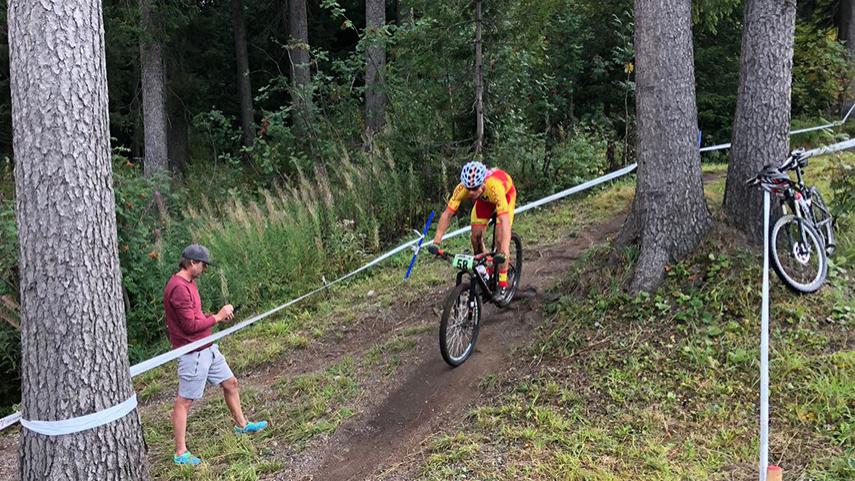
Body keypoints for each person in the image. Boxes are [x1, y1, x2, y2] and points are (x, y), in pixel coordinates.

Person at [164, 244, 268, 466]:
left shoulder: (190, 284)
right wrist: (218, 317)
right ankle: (181, 453)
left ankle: (242, 426)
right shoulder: (178, 288)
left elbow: (197, 318)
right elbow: (190, 326)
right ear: (192, 263)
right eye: (202, 264)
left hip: (207, 347)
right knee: (185, 401)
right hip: (193, 353)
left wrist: (215, 316)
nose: (204, 269)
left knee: (230, 383)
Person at [432, 161, 517, 296]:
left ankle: (503, 283)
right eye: (469, 188)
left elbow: (505, 223)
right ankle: (484, 272)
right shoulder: (462, 189)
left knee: (500, 241)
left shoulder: (495, 187)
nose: (471, 192)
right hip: (484, 201)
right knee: (476, 237)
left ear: (483, 182)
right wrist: (436, 241)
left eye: (475, 188)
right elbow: (447, 214)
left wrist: (504, 251)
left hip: (505, 196)